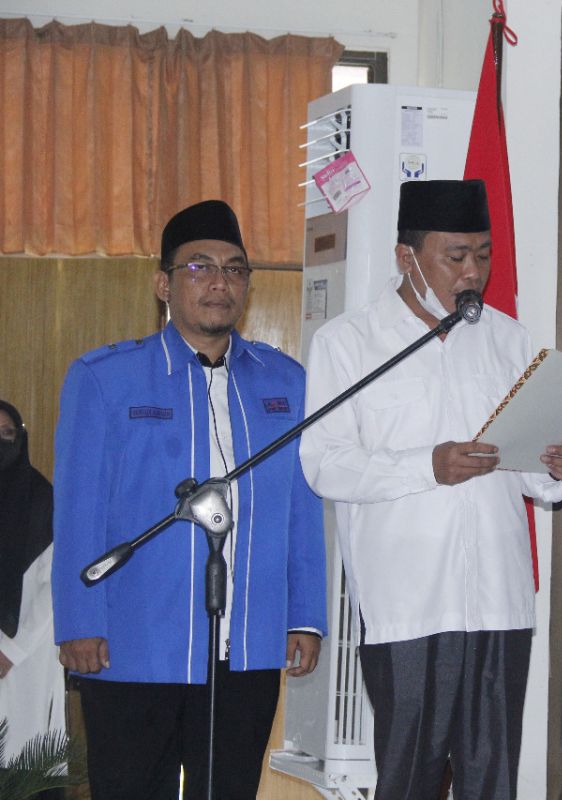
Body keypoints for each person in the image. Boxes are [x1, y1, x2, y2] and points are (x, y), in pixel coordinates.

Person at [299, 179, 562, 800]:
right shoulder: (349, 344)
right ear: (408, 257)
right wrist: (426, 464)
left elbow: (534, 477)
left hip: (498, 603)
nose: (473, 271)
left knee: (492, 781)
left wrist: (560, 466)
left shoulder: (509, 340)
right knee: (409, 780)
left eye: (483, 254)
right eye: (455, 256)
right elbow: (326, 464)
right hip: (408, 605)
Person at [51, 200, 327, 800]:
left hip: (246, 641)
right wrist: (78, 619)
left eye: (234, 269)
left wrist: (304, 614)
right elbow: (78, 508)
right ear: (163, 284)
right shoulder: (106, 378)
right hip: (132, 642)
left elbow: (301, 509)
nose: (219, 282)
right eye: (199, 268)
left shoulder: (286, 383)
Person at [0, 400, 64, 759]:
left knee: (21, 759)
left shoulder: (42, 500)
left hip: (23, 658)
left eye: (7, 435)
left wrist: (12, 649)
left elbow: (55, 586)